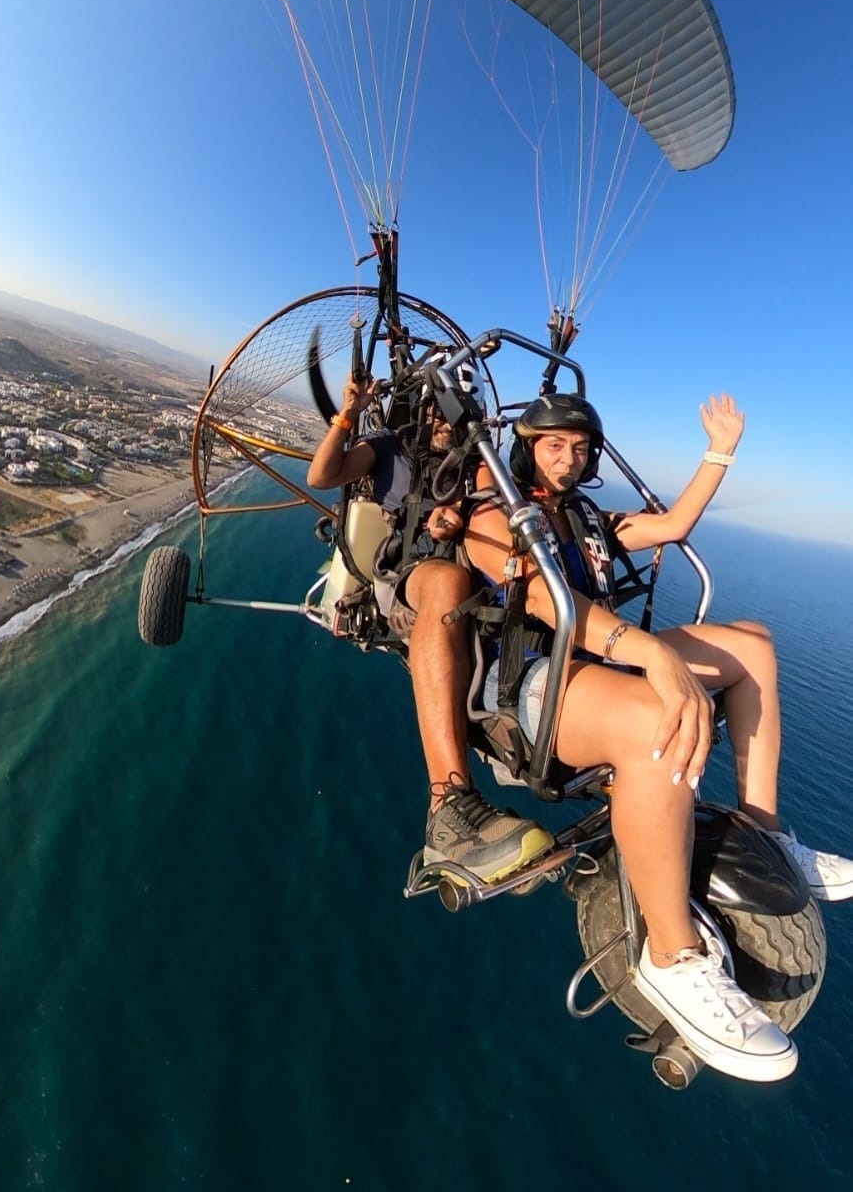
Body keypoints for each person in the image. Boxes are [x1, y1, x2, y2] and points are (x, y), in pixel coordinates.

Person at [465, 391, 853, 1083]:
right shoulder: (493, 519)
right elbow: (538, 599)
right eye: (554, 444)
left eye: (580, 447)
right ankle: (671, 956)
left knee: (754, 646)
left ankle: (763, 833)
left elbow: (673, 524)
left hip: (599, 661)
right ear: (527, 446)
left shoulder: (586, 517)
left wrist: (719, 450)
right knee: (653, 719)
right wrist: (647, 652)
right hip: (534, 683)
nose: (569, 456)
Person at [306, 370, 555, 884]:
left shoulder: (477, 463)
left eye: (455, 412)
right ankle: (448, 804)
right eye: (439, 409)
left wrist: (467, 515)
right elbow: (323, 476)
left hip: (472, 582)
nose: (446, 421)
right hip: (407, 576)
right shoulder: (388, 448)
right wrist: (347, 417)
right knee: (445, 581)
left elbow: (499, 505)